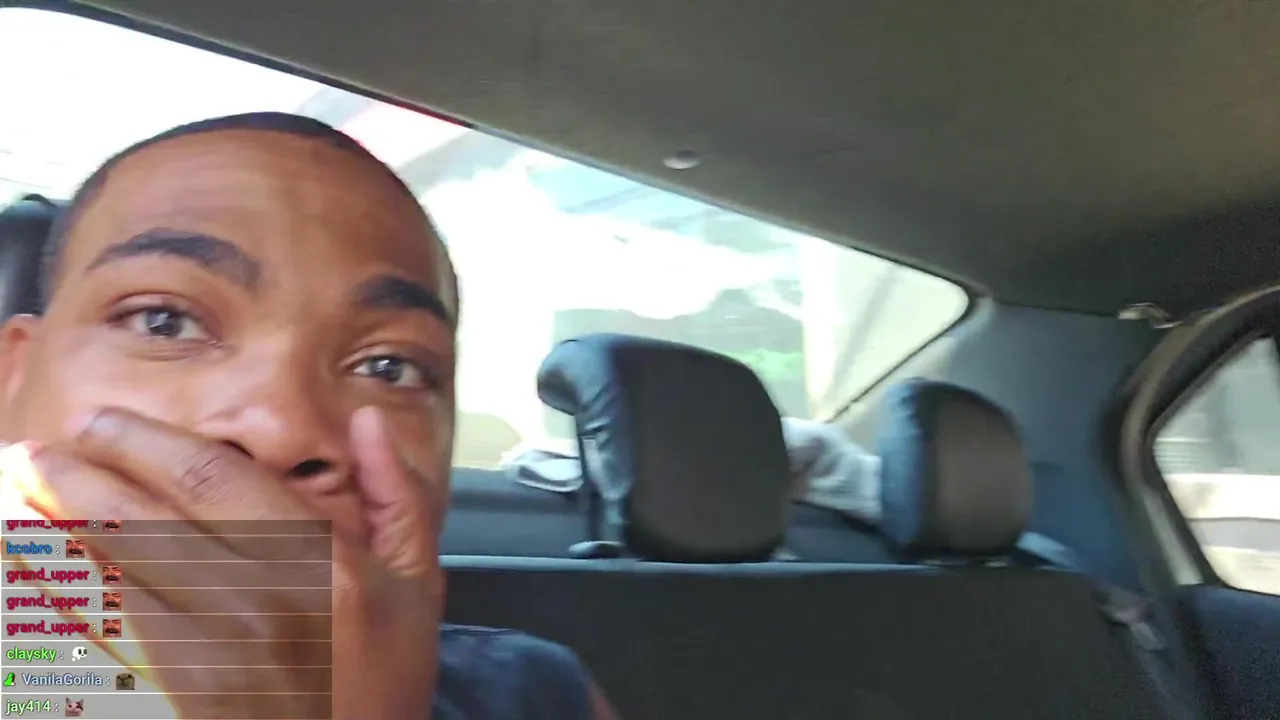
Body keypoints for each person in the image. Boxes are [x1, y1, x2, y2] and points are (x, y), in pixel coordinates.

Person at [0, 112, 619, 720]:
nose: (282, 430)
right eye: (164, 322)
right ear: (13, 378)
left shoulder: (535, 693)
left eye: (388, 367)